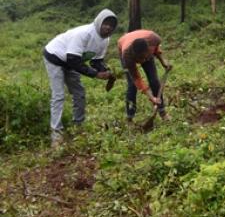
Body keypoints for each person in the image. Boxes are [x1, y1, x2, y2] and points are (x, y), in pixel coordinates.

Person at [42, 9, 117, 145]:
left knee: (79, 93)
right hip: (55, 57)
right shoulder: (84, 34)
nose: (108, 27)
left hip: (71, 61)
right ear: (99, 21)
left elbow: (96, 61)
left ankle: (78, 126)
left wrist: (106, 71)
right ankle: (56, 135)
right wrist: (95, 74)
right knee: (58, 95)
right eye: (106, 23)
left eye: (112, 25)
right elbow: (73, 59)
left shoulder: (105, 40)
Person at [118, 29, 171, 120]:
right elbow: (137, 79)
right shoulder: (127, 57)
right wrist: (151, 98)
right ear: (135, 56)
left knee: (154, 80)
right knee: (132, 86)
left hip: (145, 39)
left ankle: (162, 112)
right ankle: (129, 118)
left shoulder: (154, 39)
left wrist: (163, 62)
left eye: (145, 57)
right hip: (124, 43)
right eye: (140, 59)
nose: (143, 61)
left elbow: (156, 48)